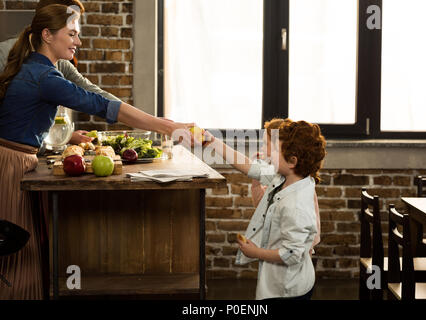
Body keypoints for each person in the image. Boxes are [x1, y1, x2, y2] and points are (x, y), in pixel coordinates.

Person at [0, 4, 193, 299]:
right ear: (48, 35)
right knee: (18, 253)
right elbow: (101, 104)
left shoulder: (38, 68)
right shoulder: (46, 77)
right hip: (11, 165)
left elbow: (24, 122)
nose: (78, 41)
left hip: (15, 159)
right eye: (73, 34)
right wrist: (166, 127)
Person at [203, 119, 326, 300]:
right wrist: (212, 141)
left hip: (288, 290)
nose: (268, 153)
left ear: (292, 161)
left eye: (274, 149)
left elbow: (292, 254)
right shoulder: (286, 177)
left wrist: (255, 252)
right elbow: (248, 166)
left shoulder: (295, 205)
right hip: (280, 283)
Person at [0, 0, 118, 146]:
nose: (77, 41)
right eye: (70, 29)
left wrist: (129, 114)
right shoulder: (4, 53)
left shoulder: (60, 62)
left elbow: (92, 91)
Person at [250, 118, 321, 256]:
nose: (262, 149)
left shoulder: (298, 185)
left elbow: (304, 240)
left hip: (296, 253)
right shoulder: (278, 176)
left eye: (266, 144)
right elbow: (260, 204)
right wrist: (256, 178)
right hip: (278, 251)